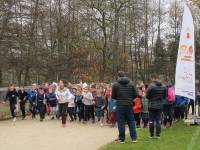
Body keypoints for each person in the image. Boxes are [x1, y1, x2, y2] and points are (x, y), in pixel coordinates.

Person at [112, 71, 137, 144]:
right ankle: (134, 138)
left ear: (118, 76)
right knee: (131, 121)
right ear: (124, 75)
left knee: (121, 122)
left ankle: (122, 139)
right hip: (129, 104)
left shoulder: (115, 84)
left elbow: (113, 96)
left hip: (120, 105)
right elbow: (135, 95)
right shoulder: (131, 83)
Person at [146, 74, 167, 140]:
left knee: (151, 121)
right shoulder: (164, 87)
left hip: (152, 105)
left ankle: (151, 135)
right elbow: (164, 96)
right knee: (158, 120)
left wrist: (151, 99)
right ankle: (158, 135)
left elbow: (147, 96)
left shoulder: (151, 86)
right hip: (160, 105)